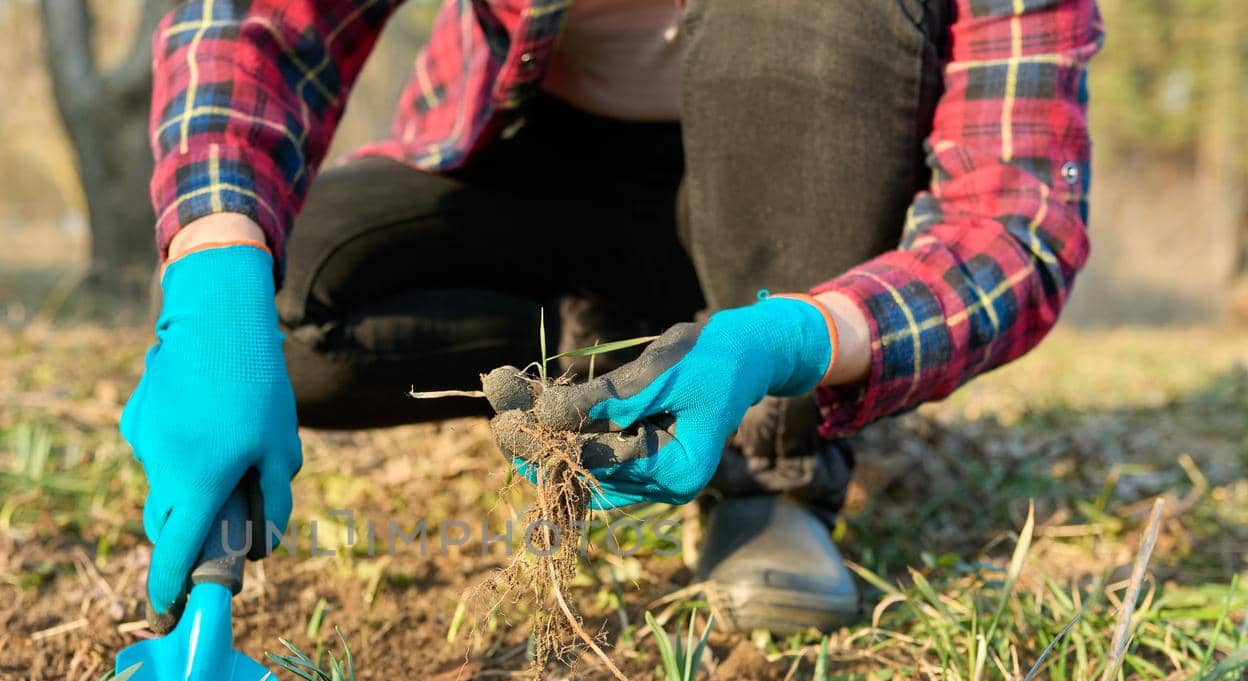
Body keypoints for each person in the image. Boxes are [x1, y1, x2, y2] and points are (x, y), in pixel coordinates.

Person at [120, 0, 1102, 634]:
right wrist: (215, 272)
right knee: (294, 309)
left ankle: (770, 461)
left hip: (803, 181)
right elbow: (255, 22)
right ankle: (620, 353)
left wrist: (799, 337)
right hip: (543, 160)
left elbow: (1015, 223)